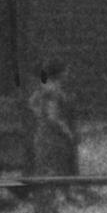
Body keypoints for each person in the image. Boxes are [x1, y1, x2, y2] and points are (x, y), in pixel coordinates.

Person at [25, 57, 80, 188]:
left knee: (45, 166)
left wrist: (39, 115)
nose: (68, 74)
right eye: (66, 71)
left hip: (42, 132)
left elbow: (32, 103)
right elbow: (53, 117)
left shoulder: (43, 87)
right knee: (56, 166)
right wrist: (67, 131)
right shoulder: (54, 91)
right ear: (60, 73)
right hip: (53, 136)